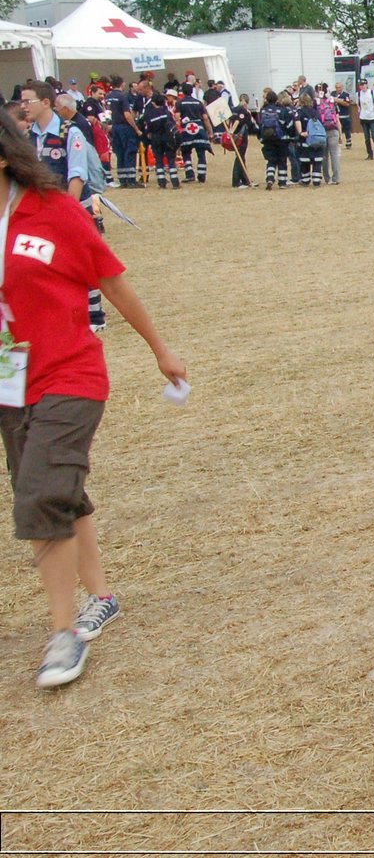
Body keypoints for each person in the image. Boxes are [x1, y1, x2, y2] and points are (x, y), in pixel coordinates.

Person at [0, 108, 186, 687]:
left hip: (70, 376)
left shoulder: (52, 210)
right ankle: (100, 596)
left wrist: (161, 349)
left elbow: (111, 281)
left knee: (41, 493)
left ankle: (64, 634)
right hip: (10, 381)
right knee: (57, 489)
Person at [174, 85, 213, 184]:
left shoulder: (180, 103)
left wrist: (177, 130)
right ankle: (202, 175)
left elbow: (177, 118)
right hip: (199, 129)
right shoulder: (198, 103)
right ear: (192, 91)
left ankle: (190, 175)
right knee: (201, 153)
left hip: (187, 131)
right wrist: (210, 131)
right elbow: (205, 118)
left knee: (186, 153)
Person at [255, 89, 292, 190]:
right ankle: (282, 182)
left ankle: (270, 178)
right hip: (281, 139)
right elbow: (288, 125)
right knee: (282, 161)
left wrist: (260, 137)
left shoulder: (263, 110)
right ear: (277, 100)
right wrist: (291, 136)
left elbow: (259, 126)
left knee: (271, 161)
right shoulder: (282, 110)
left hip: (267, 139)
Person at [356, 79, 374, 159]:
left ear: (367, 85)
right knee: (366, 138)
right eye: (361, 85)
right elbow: (358, 103)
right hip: (364, 117)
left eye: (364, 85)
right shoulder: (358, 94)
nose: (362, 86)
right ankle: (370, 154)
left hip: (372, 117)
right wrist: (359, 109)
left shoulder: (372, 92)